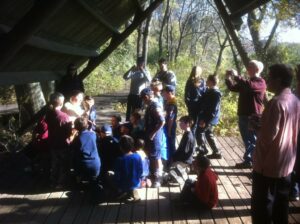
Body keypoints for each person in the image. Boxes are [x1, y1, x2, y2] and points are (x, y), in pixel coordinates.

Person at [251, 64, 300, 224]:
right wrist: (263, 123)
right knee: (281, 207)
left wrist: (255, 127)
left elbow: (267, 138)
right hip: (286, 164)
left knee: (262, 210)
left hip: (268, 167)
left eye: (270, 77)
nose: (267, 80)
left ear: (278, 80)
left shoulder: (276, 103)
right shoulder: (294, 100)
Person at [225, 60, 266, 168]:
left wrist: (236, 76)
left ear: (257, 69)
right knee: (246, 139)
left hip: (252, 116)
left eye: (250, 67)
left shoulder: (260, 82)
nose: (247, 68)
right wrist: (228, 78)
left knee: (252, 140)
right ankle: (249, 161)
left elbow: (249, 86)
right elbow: (233, 88)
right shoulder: (248, 82)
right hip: (243, 115)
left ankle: (254, 162)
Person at [45, 92, 72, 188]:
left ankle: (53, 181)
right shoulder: (64, 116)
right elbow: (69, 132)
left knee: (54, 163)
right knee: (63, 164)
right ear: (61, 102)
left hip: (52, 142)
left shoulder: (48, 114)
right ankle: (61, 183)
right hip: (62, 144)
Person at [71, 117, 102, 201]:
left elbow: (72, 148)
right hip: (95, 163)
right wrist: (91, 125)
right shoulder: (93, 135)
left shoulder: (77, 139)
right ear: (87, 125)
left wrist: (73, 135)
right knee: (94, 181)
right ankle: (96, 197)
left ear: (76, 127)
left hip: (83, 164)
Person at [141, 87, 165, 187]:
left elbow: (162, 121)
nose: (143, 101)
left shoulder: (155, 106)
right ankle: (152, 173)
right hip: (149, 133)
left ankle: (159, 177)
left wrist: (153, 133)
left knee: (156, 156)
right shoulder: (150, 105)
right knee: (151, 153)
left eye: (143, 98)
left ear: (146, 97)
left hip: (155, 135)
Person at [198, 75, 222, 159]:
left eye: (207, 80)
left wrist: (205, 120)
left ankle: (203, 150)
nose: (206, 81)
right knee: (208, 133)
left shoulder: (215, 93)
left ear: (211, 81)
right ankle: (216, 152)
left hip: (210, 118)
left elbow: (213, 109)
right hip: (208, 117)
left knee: (199, 132)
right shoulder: (210, 90)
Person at [114, 135, 143, 202]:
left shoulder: (120, 159)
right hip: (137, 182)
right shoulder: (138, 156)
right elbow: (140, 171)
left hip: (124, 184)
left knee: (108, 174)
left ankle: (123, 192)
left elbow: (117, 176)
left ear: (121, 147)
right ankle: (131, 191)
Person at [123, 57, 151, 121]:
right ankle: (128, 124)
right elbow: (125, 77)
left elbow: (149, 80)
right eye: (138, 62)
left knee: (137, 113)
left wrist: (143, 71)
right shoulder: (133, 71)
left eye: (141, 63)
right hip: (131, 94)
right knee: (129, 112)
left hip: (140, 96)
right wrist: (130, 69)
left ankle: (136, 126)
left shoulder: (146, 71)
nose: (139, 64)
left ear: (143, 64)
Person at [184, 66, 206, 134]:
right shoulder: (190, 81)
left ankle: (194, 141)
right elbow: (186, 95)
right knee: (193, 124)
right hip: (193, 106)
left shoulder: (202, 80)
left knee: (196, 125)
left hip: (199, 106)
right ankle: (191, 142)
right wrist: (189, 104)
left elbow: (205, 92)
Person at [162, 85, 177, 161]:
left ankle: (172, 160)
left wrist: (169, 130)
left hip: (170, 126)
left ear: (170, 93)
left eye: (164, 93)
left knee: (171, 144)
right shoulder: (169, 101)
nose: (163, 95)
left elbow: (171, 118)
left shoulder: (172, 104)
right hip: (168, 125)